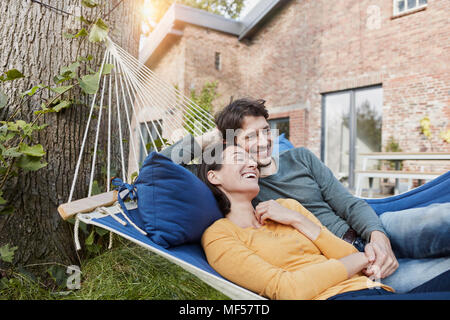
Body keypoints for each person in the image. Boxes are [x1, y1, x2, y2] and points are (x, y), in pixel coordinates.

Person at [160, 98, 450, 293]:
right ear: (230, 145)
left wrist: (378, 236)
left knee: (442, 216)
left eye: (265, 131)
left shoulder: (300, 158)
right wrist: (213, 138)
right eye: (250, 137)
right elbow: (162, 164)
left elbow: (348, 203)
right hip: (350, 263)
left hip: (373, 228)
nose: (262, 143)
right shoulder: (245, 188)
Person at [197, 142, 450, 300]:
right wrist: (363, 258)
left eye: (250, 158)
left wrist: (297, 219)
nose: (252, 161)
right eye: (239, 158)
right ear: (213, 176)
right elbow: (287, 290)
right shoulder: (220, 235)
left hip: (372, 286)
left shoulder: (286, 207)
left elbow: (345, 252)